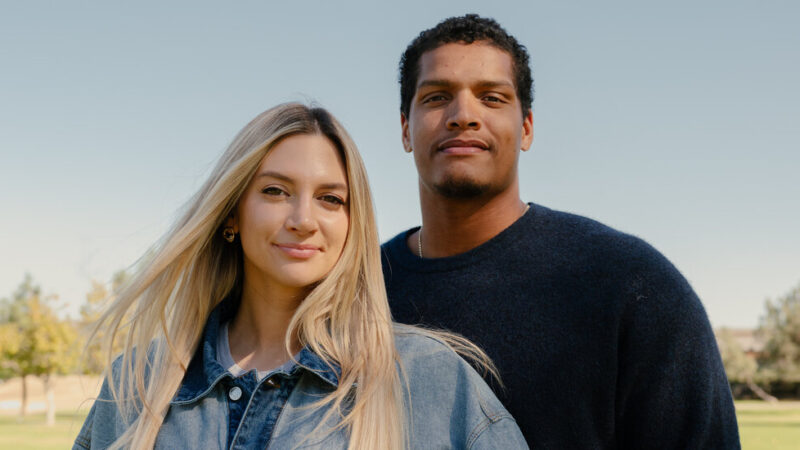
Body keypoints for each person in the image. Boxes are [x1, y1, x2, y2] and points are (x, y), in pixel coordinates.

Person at [74, 103, 528, 449]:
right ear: (232, 213)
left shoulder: (428, 379)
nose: (303, 219)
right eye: (275, 191)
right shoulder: (139, 381)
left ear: (353, 224)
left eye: (331, 199)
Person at [381, 14, 740, 449]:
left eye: (492, 98)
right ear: (405, 129)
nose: (463, 115)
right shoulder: (353, 291)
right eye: (437, 97)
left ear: (527, 127)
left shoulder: (631, 285)